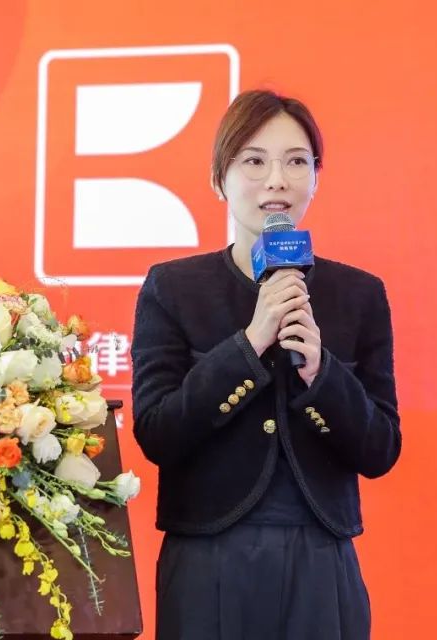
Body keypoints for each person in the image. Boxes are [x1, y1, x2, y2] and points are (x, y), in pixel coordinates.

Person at [130, 89, 401, 640]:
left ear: (316, 178)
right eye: (254, 161)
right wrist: (249, 344)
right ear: (219, 179)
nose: (276, 180)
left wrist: (321, 374)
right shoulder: (174, 288)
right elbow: (157, 433)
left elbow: (381, 450)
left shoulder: (359, 295)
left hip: (321, 555)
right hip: (208, 555)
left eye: (296, 162)